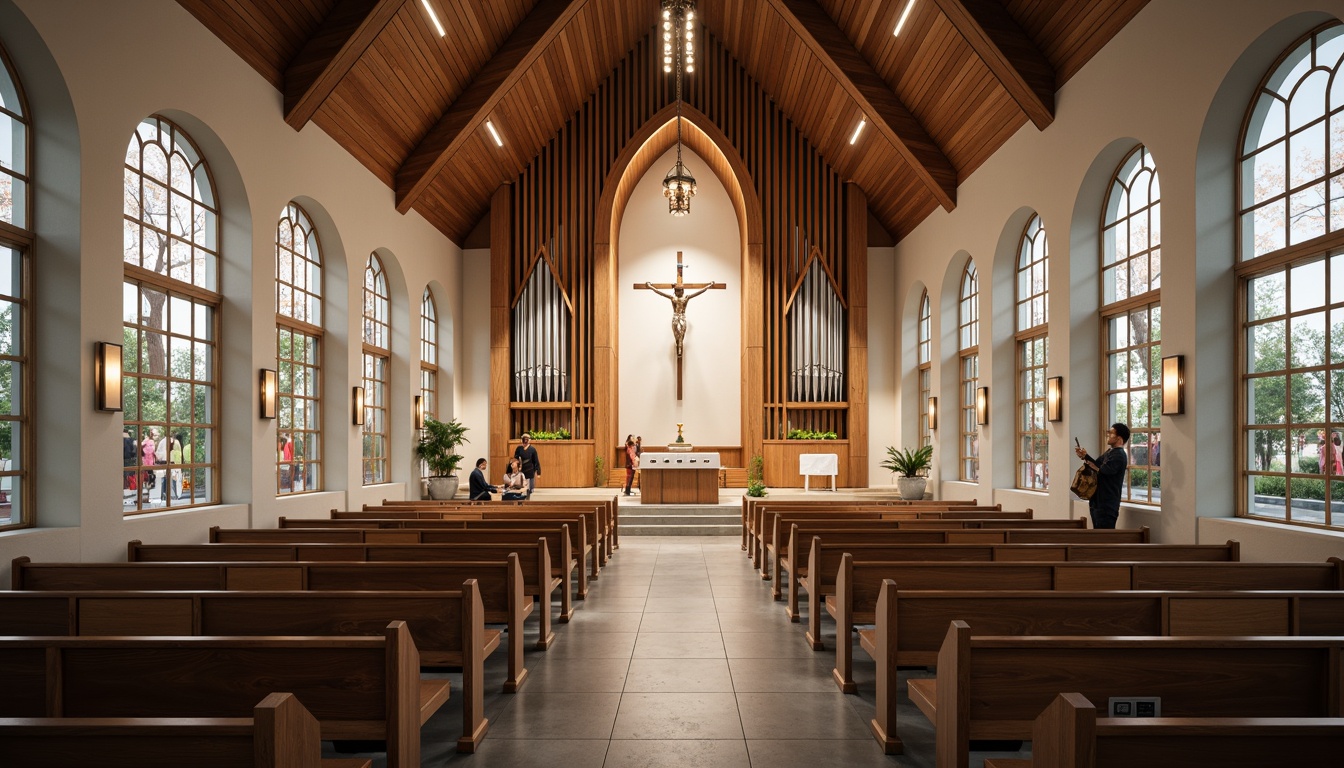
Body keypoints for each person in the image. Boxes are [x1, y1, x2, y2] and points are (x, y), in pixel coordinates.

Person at [1074, 422, 1130, 529]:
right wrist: (1085, 456)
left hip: (1107, 503)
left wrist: (1092, 464)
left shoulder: (1119, 455)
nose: (1108, 435)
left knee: (1104, 537)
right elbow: (1097, 464)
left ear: (1119, 438)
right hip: (1098, 501)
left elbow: (1104, 470)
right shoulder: (1110, 452)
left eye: (1111, 433)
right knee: (1098, 535)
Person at [169, 432, 185, 499]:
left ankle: (175, 494)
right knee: (179, 479)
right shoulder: (180, 446)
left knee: (174, 479)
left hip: (173, 463)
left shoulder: (172, 447)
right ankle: (178, 494)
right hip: (178, 463)